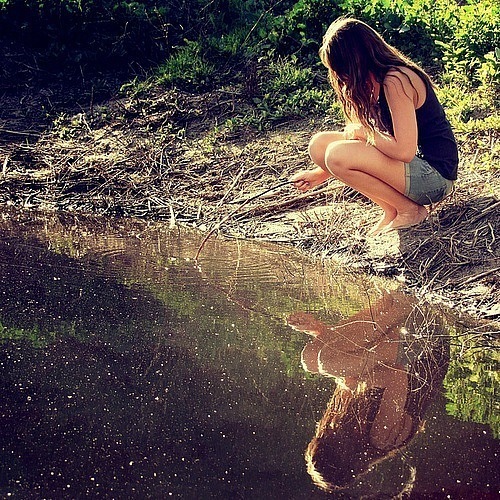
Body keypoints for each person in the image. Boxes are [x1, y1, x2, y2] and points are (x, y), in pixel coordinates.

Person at [290, 18, 459, 236]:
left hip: (435, 178)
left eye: (341, 69)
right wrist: (319, 175)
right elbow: (364, 147)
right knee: (320, 145)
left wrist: (363, 133)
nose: (341, 77)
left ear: (355, 61)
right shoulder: (371, 83)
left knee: (337, 153)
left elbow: (404, 151)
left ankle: (410, 211)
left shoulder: (396, 80)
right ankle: (392, 209)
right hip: (408, 170)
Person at [288, 291, 449, 493]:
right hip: (426, 343)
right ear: (345, 451)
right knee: (328, 363)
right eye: (326, 439)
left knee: (310, 359)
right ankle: (401, 307)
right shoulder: (381, 439)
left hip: (397, 343)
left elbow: (361, 367)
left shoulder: (344, 424)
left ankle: (387, 304)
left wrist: (318, 332)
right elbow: (396, 374)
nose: (325, 430)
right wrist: (354, 378)